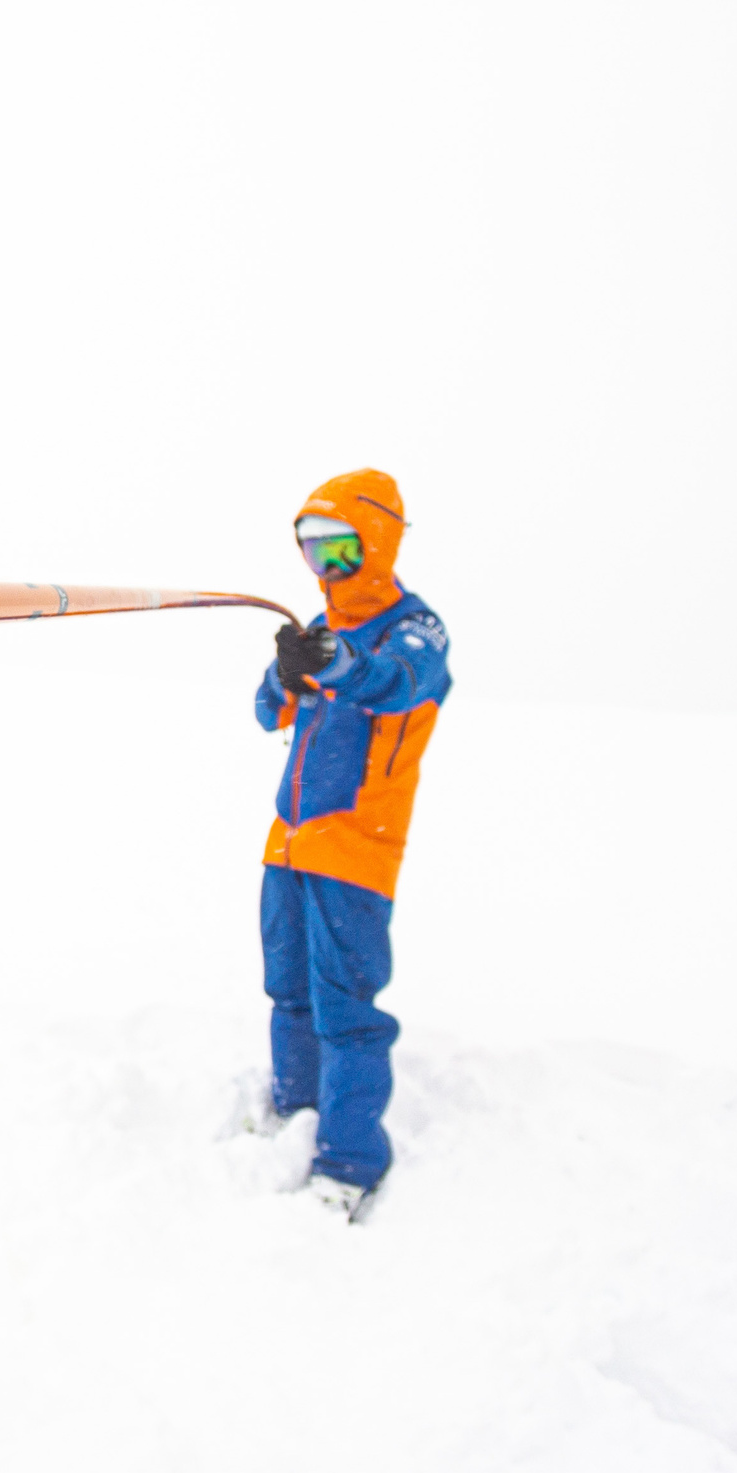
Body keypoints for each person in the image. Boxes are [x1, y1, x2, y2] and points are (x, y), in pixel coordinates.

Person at [251, 469, 451, 1221]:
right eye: (311, 552)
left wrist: (335, 664)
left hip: (356, 848)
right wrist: (286, 673)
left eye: (338, 551)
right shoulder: (320, 628)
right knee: (288, 989)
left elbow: (394, 683)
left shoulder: (414, 629)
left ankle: (349, 1160)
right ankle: (296, 1108)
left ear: (377, 542)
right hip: (289, 842)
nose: (324, 569)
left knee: (348, 1010)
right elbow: (267, 710)